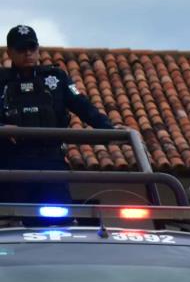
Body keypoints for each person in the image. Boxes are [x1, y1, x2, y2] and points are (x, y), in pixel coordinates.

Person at [1, 24, 115, 204]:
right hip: (11, 163)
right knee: (12, 221)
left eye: (32, 47)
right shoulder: (2, 82)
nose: (28, 53)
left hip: (51, 160)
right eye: (21, 49)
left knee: (58, 219)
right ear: (10, 53)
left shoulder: (56, 78)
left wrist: (110, 130)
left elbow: (83, 106)